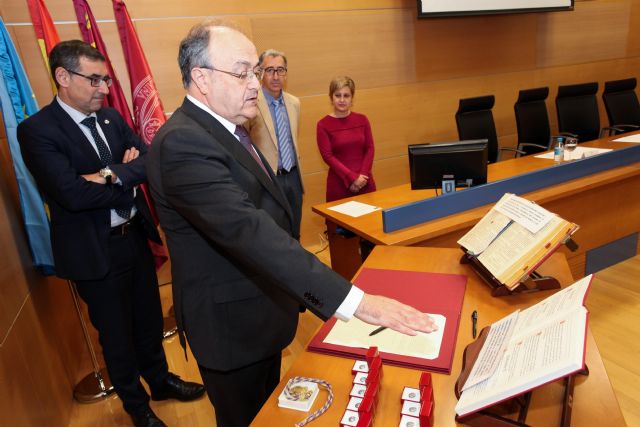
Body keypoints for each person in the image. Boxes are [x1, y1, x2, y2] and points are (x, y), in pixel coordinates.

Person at [146, 21, 437, 427]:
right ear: (201, 78)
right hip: (231, 329)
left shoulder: (225, 130)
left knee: (273, 415)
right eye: (243, 72)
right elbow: (251, 234)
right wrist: (359, 302)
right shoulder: (183, 142)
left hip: (258, 315)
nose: (256, 83)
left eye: (257, 71)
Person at [17, 40, 204, 427]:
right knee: (116, 336)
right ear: (63, 77)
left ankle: (160, 381)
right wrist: (124, 172)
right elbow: (71, 194)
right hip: (93, 252)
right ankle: (136, 406)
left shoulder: (112, 119)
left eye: (106, 79)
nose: (105, 88)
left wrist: (109, 173)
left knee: (149, 320)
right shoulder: (36, 131)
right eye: (96, 79)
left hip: (133, 237)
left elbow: (151, 159)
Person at [245, 49, 304, 239]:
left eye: (281, 70)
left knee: (295, 230)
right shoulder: (251, 103)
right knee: (275, 235)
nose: (276, 76)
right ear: (260, 72)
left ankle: (298, 268)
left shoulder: (294, 102)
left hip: (293, 177)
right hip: (268, 179)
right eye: (270, 70)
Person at [317, 76, 376, 202]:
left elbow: (370, 149)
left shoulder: (362, 120)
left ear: (352, 98)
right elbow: (328, 156)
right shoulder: (323, 125)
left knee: (370, 221)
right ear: (331, 98)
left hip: (365, 182)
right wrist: (352, 178)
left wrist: (362, 176)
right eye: (338, 95)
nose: (342, 100)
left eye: (346, 95)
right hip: (339, 185)